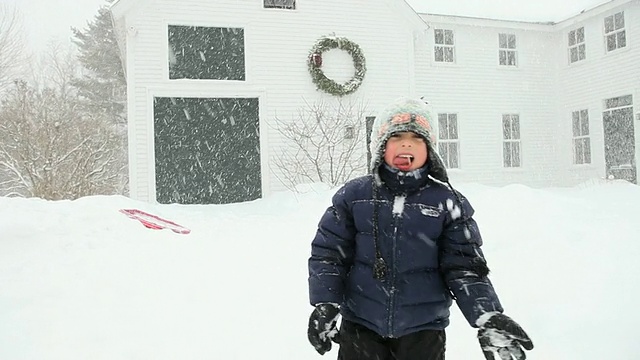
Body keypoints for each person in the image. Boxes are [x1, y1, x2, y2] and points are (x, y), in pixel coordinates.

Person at [307, 97, 533, 360]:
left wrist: (487, 315)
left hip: (424, 332)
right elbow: (329, 254)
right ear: (381, 147)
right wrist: (326, 302)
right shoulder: (354, 196)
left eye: (416, 138)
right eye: (397, 137)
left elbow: (465, 267)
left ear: (429, 149)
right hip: (361, 327)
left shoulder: (448, 202)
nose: (406, 143)